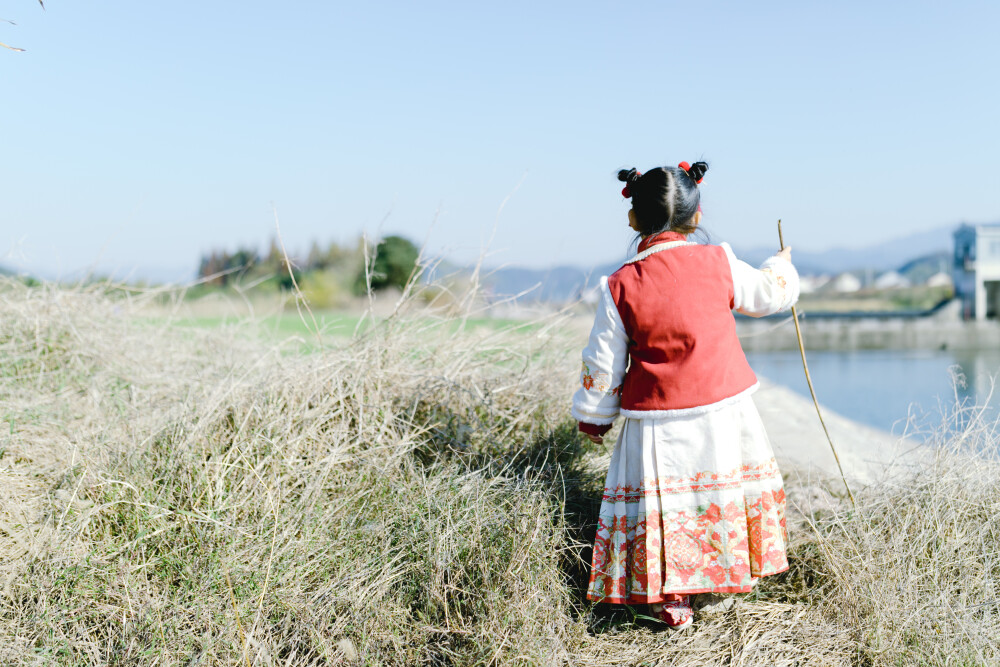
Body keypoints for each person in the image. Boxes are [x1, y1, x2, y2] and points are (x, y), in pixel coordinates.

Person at [572, 161, 799, 630]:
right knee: (718, 491)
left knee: (663, 503)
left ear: (633, 219)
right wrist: (782, 265)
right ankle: (721, 575)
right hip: (722, 409)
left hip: (654, 420)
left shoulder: (619, 284)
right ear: (697, 215)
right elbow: (769, 296)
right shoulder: (719, 262)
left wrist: (594, 416)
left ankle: (670, 596)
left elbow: (604, 360)